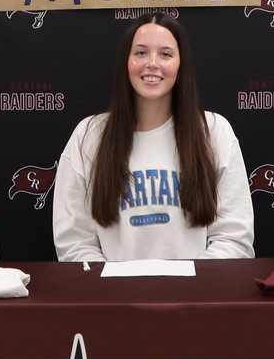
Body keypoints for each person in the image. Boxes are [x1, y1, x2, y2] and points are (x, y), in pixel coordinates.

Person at [53, 13, 255, 262]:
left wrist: (188, 281)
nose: (152, 63)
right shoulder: (88, 135)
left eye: (165, 54)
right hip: (111, 288)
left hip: (197, 287)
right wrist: (114, 283)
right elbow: (74, 242)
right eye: (140, 53)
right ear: (126, 63)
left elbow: (234, 238)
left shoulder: (214, 131)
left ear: (180, 66)